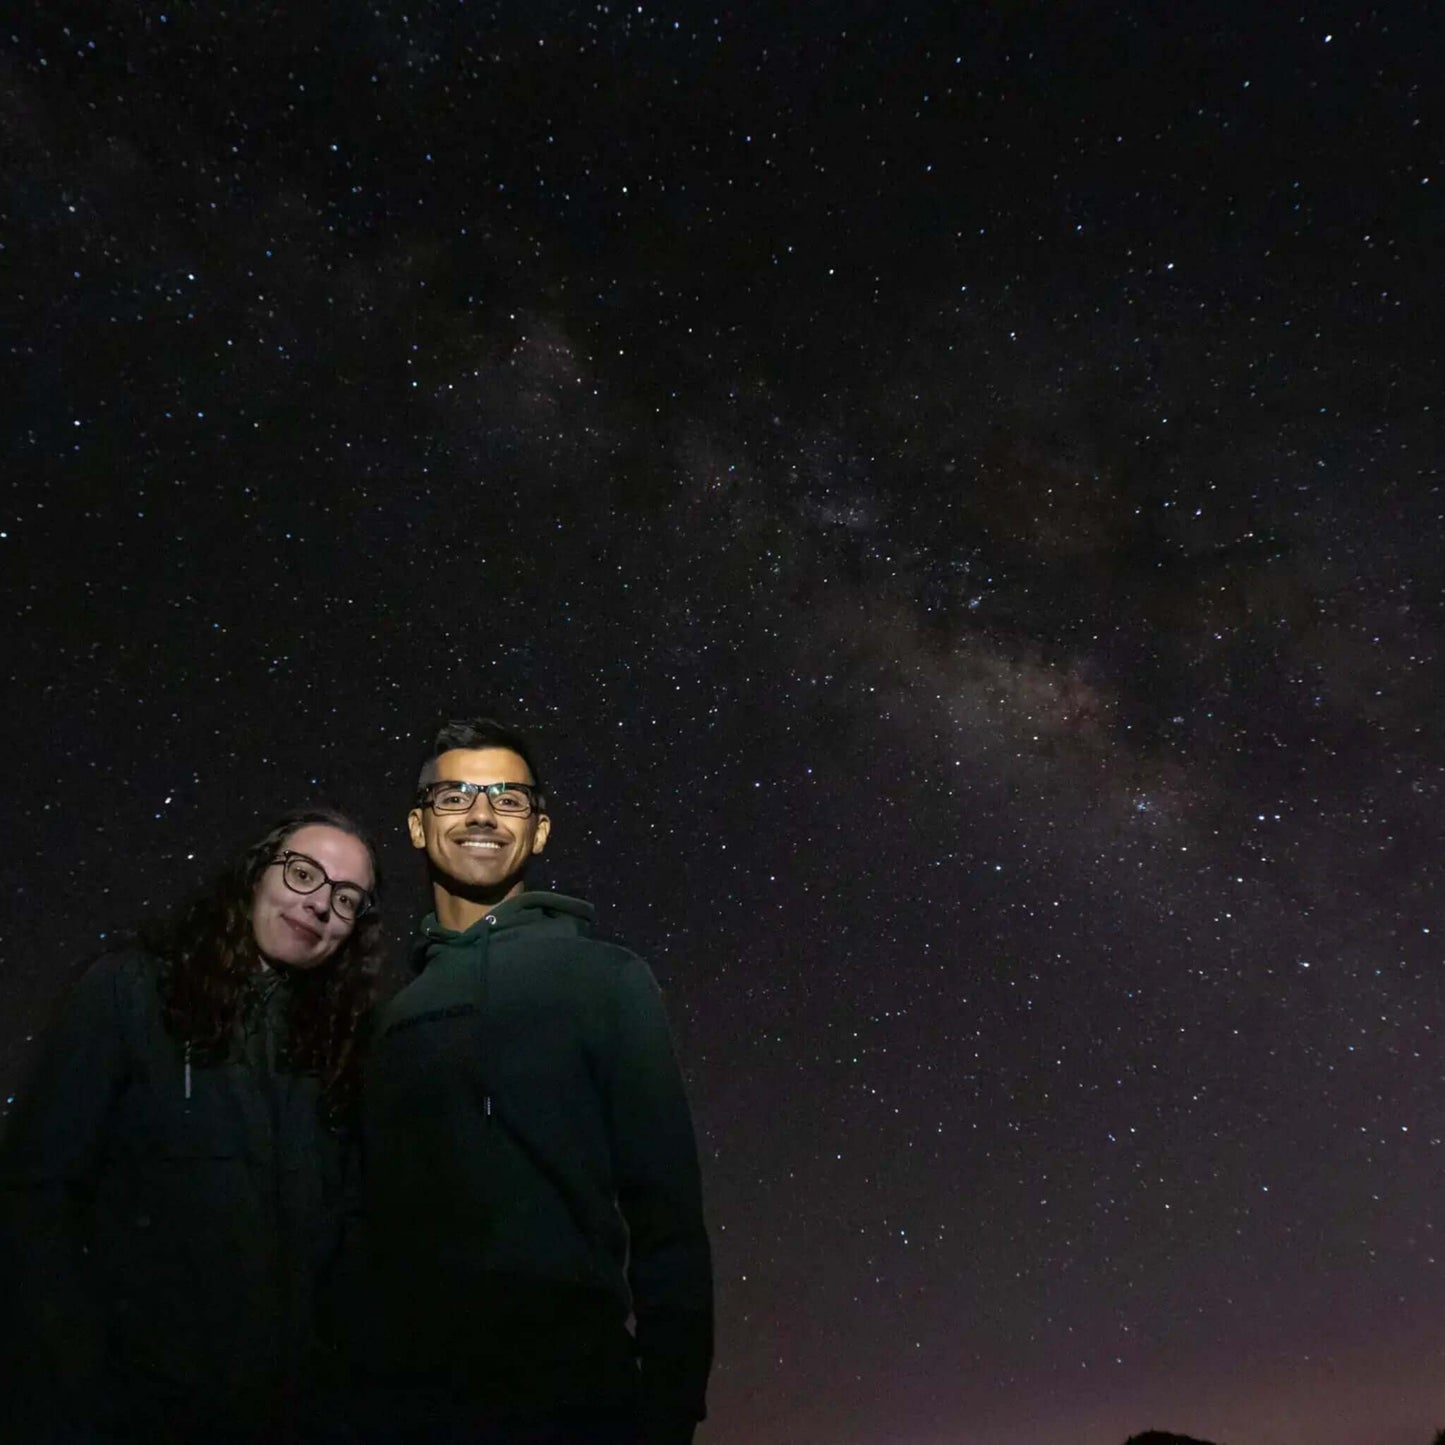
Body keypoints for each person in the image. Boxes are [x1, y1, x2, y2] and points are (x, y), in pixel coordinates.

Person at [350, 719, 712, 1444]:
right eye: (455, 794)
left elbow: (666, 1207)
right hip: (398, 1396)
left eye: (508, 799)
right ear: (419, 826)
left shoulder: (608, 979)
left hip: (570, 1393)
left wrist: (670, 1405)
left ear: (539, 831)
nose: (482, 814)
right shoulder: (385, 1016)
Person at [0, 807, 385, 1442]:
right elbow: (36, 1194)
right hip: (137, 1411)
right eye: (303, 874)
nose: (320, 905)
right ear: (256, 875)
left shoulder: (335, 1050)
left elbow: (345, 1238)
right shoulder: (132, 993)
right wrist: (80, 1382)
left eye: (347, 899)